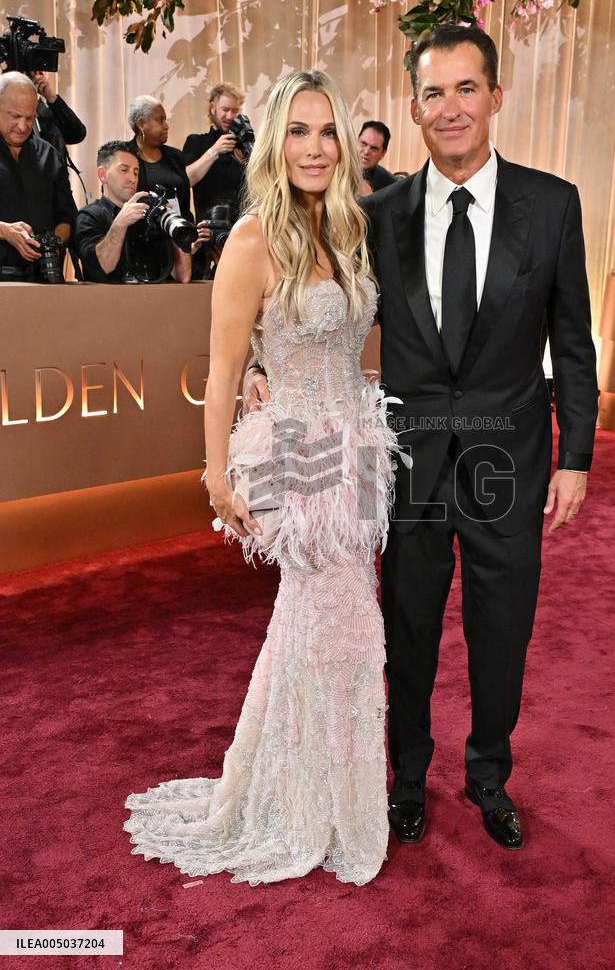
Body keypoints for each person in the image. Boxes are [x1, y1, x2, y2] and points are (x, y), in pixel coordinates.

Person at [248, 25, 598, 851]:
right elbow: (292, 282)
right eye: (433, 93)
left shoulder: (552, 205)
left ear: (495, 97)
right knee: (405, 626)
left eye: (467, 89)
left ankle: (488, 777)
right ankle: (406, 775)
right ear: (413, 107)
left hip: (509, 459)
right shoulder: (374, 215)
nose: (451, 109)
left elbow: (573, 339)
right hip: (403, 464)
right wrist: (256, 368)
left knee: (501, 625)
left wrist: (576, 453)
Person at [124, 70, 401, 886]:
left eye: (327, 131)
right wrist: (215, 475)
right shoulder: (252, 240)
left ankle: (304, 790)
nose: (314, 147)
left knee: (330, 634)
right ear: (275, 141)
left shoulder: (349, 229)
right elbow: (222, 365)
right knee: (335, 628)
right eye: (299, 131)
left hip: (353, 453)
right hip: (297, 465)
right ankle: (310, 806)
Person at [73, 140, 199, 283]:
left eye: (136, 172)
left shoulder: (149, 216)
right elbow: (102, 268)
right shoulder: (88, 217)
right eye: (124, 170)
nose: (132, 179)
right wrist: (120, 224)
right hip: (108, 302)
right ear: (102, 174)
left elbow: (183, 276)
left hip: (154, 301)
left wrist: (173, 224)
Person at [0, 71, 76, 281]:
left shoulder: (49, 154)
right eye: (15, 116)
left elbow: (67, 216)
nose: (23, 126)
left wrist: (53, 243)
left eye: (29, 118)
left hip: (43, 280)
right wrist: (5, 231)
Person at [183, 82, 248, 221]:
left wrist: (247, 164)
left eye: (235, 111)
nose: (230, 116)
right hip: (207, 230)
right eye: (225, 109)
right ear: (213, 108)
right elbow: (185, 181)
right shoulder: (196, 142)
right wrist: (214, 151)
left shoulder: (244, 147)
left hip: (241, 228)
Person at [125, 95, 193, 221]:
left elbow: (185, 206)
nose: (167, 126)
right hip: (139, 235)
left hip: (176, 233)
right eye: (160, 120)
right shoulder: (124, 157)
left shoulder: (176, 156)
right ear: (141, 124)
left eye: (165, 120)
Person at [29, 70, 86, 157]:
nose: (38, 76)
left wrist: (52, 98)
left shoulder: (44, 110)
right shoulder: (7, 108)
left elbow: (77, 134)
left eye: (41, 72)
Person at [358, 120, 396, 191]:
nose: (366, 152)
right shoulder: (336, 168)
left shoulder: (390, 185)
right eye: (364, 144)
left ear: (383, 153)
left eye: (374, 148)